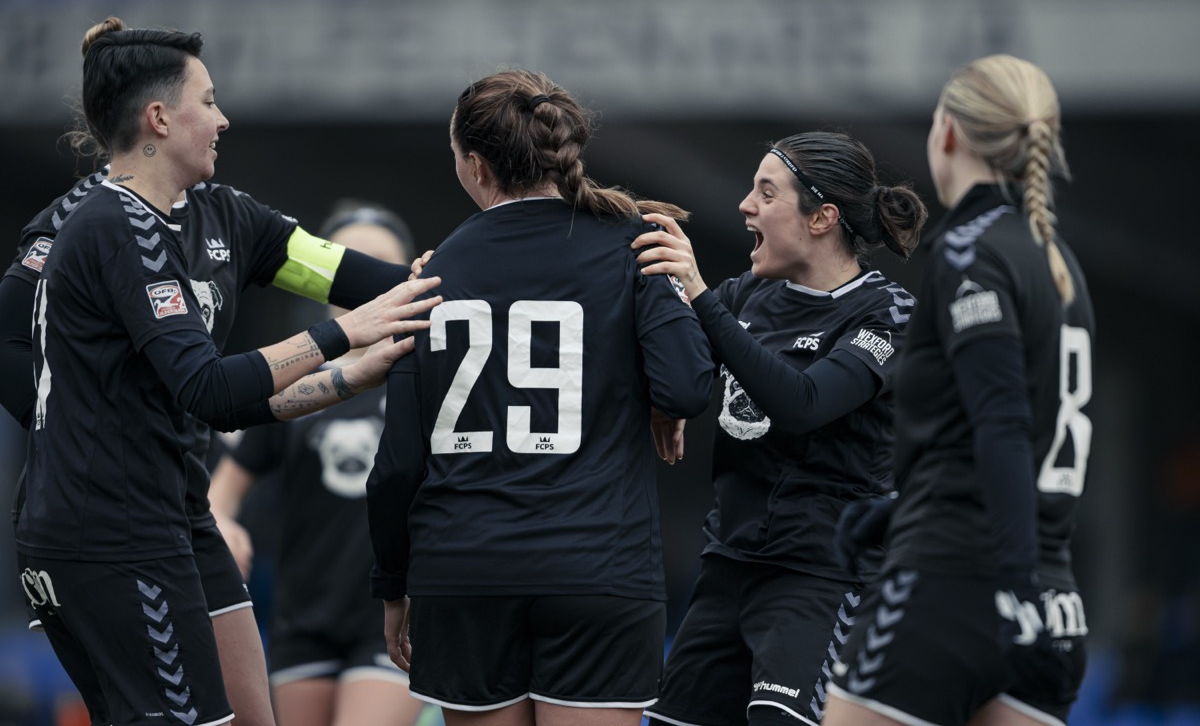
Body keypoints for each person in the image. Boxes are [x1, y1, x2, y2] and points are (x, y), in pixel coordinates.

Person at [0, 18, 436, 726]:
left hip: (176, 513)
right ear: (159, 117)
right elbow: (209, 389)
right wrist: (342, 337)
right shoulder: (108, 224)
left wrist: (498, 268)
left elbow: (363, 282)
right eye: (209, 100)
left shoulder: (227, 216)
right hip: (104, 531)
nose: (224, 117)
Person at [366, 68, 715, 726]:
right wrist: (654, 403)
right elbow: (688, 385)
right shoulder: (632, 245)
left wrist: (393, 586)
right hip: (598, 568)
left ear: (474, 166)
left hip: (463, 575)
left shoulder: (431, 275)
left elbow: (398, 466)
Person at [824, 55, 1095, 726]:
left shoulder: (969, 251)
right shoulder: (1059, 262)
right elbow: (1013, 428)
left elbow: (1000, 423)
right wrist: (900, 506)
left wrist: (1010, 588)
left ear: (947, 132)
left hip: (960, 586)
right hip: (1056, 603)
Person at [630, 131, 927, 726]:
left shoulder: (887, 312)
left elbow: (804, 403)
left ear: (823, 217)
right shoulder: (747, 296)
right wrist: (665, 399)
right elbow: (677, 371)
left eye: (767, 193)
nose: (746, 205)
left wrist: (698, 295)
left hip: (819, 579)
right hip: (727, 567)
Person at [208, 201, 427, 726]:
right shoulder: (296, 385)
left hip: (397, 611)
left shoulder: (428, 375)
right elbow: (224, 492)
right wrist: (224, 526)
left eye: (380, 266)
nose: (366, 284)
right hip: (303, 615)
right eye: (354, 266)